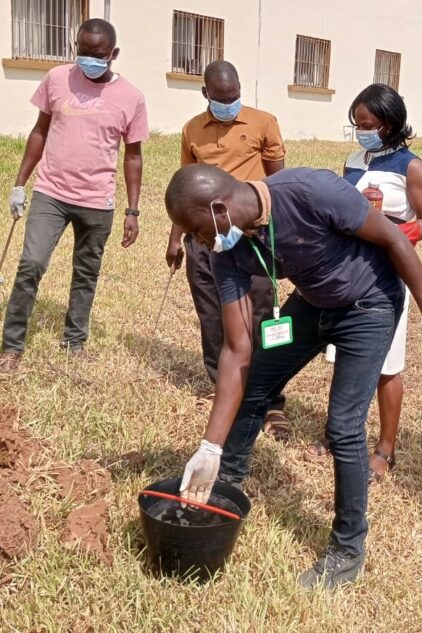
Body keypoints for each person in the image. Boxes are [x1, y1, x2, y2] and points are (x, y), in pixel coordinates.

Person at [164, 163, 422, 589]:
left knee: (342, 427)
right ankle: (224, 481)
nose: (198, 242)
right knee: (257, 385)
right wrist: (210, 445)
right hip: (312, 304)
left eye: (198, 230)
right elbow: (236, 350)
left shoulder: (309, 190)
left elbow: (394, 238)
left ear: (219, 208)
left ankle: (348, 548)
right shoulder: (227, 251)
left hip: (369, 303)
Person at [304, 84, 422, 483]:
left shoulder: (412, 167)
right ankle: (339, 436)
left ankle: (385, 449)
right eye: (357, 124)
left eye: (368, 125)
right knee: (348, 357)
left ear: (390, 124)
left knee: (386, 366)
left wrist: (392, 234)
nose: (361, 131)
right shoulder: (353, 161)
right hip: (348, 272)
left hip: (387, 276)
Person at [0, 19, 148, 374]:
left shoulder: (132, 97)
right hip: (50, 192)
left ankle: (74, 341)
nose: (89, 59)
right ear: (75, 47)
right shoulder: (56, 79)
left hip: (97, 201)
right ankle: (11, 346)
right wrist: (20, 183)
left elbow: (133, 155)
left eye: (98, 54)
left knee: (86, 273)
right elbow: (40, 131)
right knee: (31, 264)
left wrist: (133, 210)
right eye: (83, 52)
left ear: (113, 54)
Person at [164, 60, 290, 437]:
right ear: (206, 94)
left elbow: (278, 182)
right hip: (204, 237)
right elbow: (187, 191)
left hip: (250, 235)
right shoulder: (192, 130)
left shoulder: (263, 122)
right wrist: (175, 237)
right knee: (212, 316)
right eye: (220, 98)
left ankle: (271, 401)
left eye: (234, 95)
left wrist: (275, 236)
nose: (228, 102)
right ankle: (227, 391)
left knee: (263, 317)